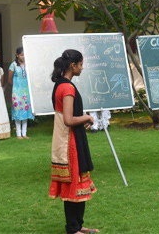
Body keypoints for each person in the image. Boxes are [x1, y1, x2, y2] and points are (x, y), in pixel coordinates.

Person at [49, 49, 99, 234]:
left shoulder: (61, 85)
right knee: (73, 184)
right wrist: (87, 118)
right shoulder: (67, 87)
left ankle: (78, 226)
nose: (82, 68)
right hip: (69, 142)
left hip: (71, 138)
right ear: (73, 65)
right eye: (81, 64)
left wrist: (82, 120)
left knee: (79, 183)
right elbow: (69, 120)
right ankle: (72, 228)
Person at [8, 47, 35, 139]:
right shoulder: (13, 65)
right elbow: (9, 80)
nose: (23, 56)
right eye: (22, 55)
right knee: (18, 111)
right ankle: (18, 134)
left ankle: (24, 133)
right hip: (17, 92)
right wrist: (16, 89)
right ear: (17, 55)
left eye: (24, 55)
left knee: (26, 111)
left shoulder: (28, 65)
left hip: (26, 92)